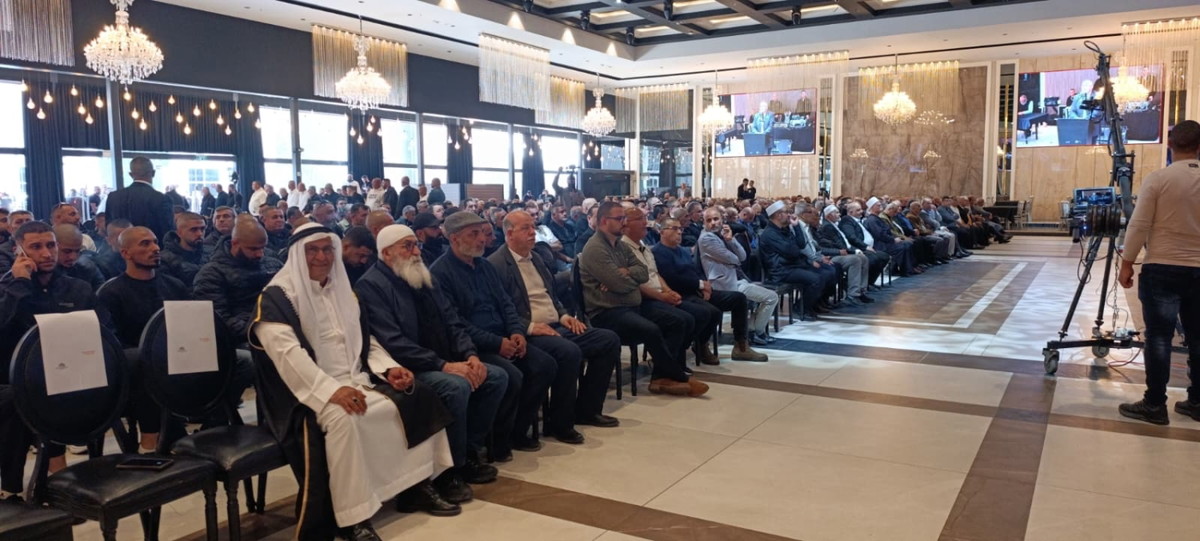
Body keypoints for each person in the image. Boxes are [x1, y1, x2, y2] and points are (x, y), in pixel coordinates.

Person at [252, 223, 457, 539]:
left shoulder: (343, 290)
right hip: (302, 393)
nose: (321, 257)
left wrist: (388, 369)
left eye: (327, 249)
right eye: (312, 250)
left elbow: (365, 339)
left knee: (419, 394)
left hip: (355, 378)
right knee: (345, 419)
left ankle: (416, 486)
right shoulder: (277, 298)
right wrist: (331, 391)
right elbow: (288, 358)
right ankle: (353, 518)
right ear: (296, 255)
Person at [357, 225, 507, 501]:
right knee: (455, 387)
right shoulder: (371, 286)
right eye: (407, 246)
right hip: (406, 367)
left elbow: (453, 321)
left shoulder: (423, 276)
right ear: (387, 253)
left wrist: (470, 355)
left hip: (441, 358)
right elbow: (393, 342)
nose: (416, 251)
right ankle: (449, 471)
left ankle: (469, 452)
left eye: (416, 244)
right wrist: (443, 365)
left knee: (495, 377)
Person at [431, 211, 575, 457]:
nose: (482, 239)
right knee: (511, 375)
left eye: (482, 233)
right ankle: (496, 441)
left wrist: (517, 332)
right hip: (473, 346)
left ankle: (516, 430)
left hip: (503, 337)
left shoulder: (484, 266)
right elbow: (456, 323)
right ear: (454, 238)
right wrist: (497, 343)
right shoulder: (440, 273)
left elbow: (506, 304)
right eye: (474, 234)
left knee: (544, 365)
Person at [490, 211, 621, 428]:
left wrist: (564, 315)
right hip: (529, 332)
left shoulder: (536, 258)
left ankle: (587, 410)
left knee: (608, 340)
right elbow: (499, 310)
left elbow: (551, 295)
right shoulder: (497, 264)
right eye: (526, 228)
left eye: (533, 227)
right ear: (510, 234)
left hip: (555, 325)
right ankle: (560, 422)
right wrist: (530, 327)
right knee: (568, 351)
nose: (533, 233)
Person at [0, 221, 101, 500]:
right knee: (20, 397)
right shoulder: (7, 288)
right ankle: (12, 488)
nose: (46, 253)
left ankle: (64, 477)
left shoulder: (77, 288)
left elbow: (102, 331)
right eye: (35, 247)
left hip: (72, 369)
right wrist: (20, 284)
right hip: (15, 376)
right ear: (18, 250)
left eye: (51, 245)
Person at [1117, 120, 1200, 425]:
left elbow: (1139, 224)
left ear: (1170, 144)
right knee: (1198, 338)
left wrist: (1127, 262)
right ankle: (1197, 401)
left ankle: (1154, 404)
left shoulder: (1159, 179)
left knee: (1159, 337)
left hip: (1162, 267)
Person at [579, 202, 706, 397]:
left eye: (624, 218)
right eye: (619, 219)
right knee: (651, 329)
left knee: (677, 321)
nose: (623, 222)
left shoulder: (620, 245)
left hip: (630, 305)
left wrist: (625, 273)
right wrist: (623, 280)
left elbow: (643, 272)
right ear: (604, 221)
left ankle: (661, 377)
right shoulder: (595, 248)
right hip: (607, 311)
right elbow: (620, 284)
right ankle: (677, 376)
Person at [97, 226, 190, 455]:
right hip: (132, 366)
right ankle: (150, 437)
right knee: (142, 360)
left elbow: (191, 326)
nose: (155, 248)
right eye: (145, 244)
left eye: (155, 242)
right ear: (125, 253)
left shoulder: (174, 286)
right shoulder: (111, 293)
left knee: (230, 357)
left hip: (178, 356)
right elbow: (110, 341)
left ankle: (213, 427)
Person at [653, 218, 767, 363]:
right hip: (680, 294)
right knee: (713, 312)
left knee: (738, 298)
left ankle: (741, 346)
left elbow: (695, 270)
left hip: (695, 291)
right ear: (662, 232)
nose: (679, 232)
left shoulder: (682, 251)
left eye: (680, 229)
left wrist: (705, 285)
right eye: (674, 229)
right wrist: (700, 285)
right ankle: (701, 345)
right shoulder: (658, 252)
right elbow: (672, 278)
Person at [697, 208, 780, 345]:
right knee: (771, 297)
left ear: (722, 219)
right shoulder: (706, 238)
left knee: (770, 296)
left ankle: (752, 330)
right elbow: (734, 259)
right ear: (704, 223)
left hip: (736, 279)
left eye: (716, 219)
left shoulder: (722, 234)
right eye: (709, 220)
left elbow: (742, 256)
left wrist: (731, 240)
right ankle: (756, 331)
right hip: (723, 284)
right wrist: (734, 257)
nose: (713, 223)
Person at [759, 201, 827, 320]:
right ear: (779, 215)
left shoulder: (784, 229)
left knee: (824, 273)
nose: (790, 215)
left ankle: (807, 306)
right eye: (787, 212)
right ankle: (800, 308)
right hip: (780, 270)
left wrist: (796, 226)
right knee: (815, 279)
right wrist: (796, 250)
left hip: (791, 266)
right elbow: (793, 252)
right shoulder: (770, 233)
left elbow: (801, 245)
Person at [818, 205, 885, 296]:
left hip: (843, 251)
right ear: (829, 215)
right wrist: (854, 251)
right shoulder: (827, 226)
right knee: (856, 259)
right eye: (836, 213)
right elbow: (838, 244)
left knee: (864, 258)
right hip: (834, 254)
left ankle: (862, 289)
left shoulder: (834, 224)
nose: (839, 214)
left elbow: (844, 242)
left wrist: (854, 250)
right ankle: (854, 293)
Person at [103, 156, 174, 240]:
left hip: (120, 246)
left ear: (130, 174)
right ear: (153, 173)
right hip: (151, 246)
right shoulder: (161, 199)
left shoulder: (113, 197)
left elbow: (108, 227)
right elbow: (167, 232)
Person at [160, 211, 210, 289]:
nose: (200, 234)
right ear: (179, 233)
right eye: (194, 230)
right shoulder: (165, 260)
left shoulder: (211, 253)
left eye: (202, 229)